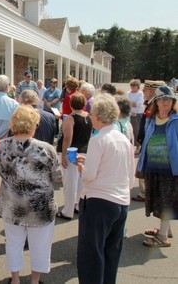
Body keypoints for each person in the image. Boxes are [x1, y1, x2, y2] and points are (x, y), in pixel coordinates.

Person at [0, 105, 62, 284]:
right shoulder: (46, 149)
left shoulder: (1, 146)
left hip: (12, 205)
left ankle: (15, 280)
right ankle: (34, 281)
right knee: (40, 246)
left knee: (13, 243)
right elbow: (58, 178)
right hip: (41, 208)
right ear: (34, 125)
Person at [75, 93, 135, 284]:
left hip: (98, 202)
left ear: (98, 116)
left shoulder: (98, 139)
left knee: (91, 255)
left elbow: (89, 176)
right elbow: (128, 173)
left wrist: (81, 168)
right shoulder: (123, 139)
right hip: (120, 202)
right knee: (111, 253)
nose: (90, 117)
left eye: (92, 114)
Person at [137, 85, 178, 247]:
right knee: (159, 199)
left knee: (166, 200)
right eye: (163, 100)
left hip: (169, 169)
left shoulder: (176, 120)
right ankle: (165, 229)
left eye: (169, 100)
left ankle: (162, 237)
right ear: (157, 102)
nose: (166, 102)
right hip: (153, 167)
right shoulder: (152, 119)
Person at [57, 93, 92, 220]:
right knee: (80, 183)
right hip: (85, 151)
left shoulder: (70, 118)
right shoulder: (89, 117)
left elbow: (67, 139)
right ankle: (78, 205)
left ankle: (68, 211)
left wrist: (64, 155)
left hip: (73, 153)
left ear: (71, 104)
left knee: (69, 183)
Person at [132, 80, 166, 202]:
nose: (143, 92)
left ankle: (146, 193)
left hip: (151, 144)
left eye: (145, 89)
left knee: (146, 168)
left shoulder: (155, 105)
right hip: (148, 142)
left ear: (152, 91)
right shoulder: (152, 103)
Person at [127, 79, 144, 155]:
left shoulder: (140, 94)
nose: (132, 87)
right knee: (128, 130)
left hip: (137, 114)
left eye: (134, 85)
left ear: (138, 86)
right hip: (128, 114)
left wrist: (130, 103)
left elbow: (138, 104)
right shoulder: (128, 93)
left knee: (136, 131)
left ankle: (138, 146)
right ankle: (129, 146)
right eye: (131, 85)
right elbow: (125, 103)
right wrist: (132, 104)